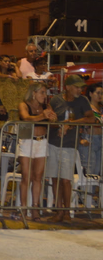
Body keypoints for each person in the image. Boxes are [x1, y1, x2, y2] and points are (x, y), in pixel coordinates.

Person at [45, 74, 93, 222]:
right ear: (67, 87)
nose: (80, 90)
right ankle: (58, 211)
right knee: (55, 178)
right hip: (53, 142)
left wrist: (70, 124)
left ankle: (66, 211)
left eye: (81, 87)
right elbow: (50, 118)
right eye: (77, 87)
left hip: (70, 145)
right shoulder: (55, 100)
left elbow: (91, 118)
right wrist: (57, 125)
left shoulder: (83, 101)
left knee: (66, 180)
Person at [17, 82, 55, 219]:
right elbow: (26, 118)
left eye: (45, 93)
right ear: (34, 93)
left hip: (42, 141)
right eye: (42, 92)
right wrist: (43, 116)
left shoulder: (46, 107)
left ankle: (35, 207)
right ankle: (23, 208)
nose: (45, 96)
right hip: (27, 141)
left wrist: (53, 119)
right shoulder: (24, 104)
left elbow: (52, 119)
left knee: (38, 177)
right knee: (26, 177)